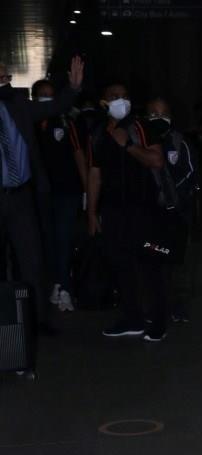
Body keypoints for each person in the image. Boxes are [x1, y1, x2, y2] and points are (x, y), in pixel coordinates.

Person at [0, 57, 83, 330]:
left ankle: (38, 320)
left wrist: (73, 88)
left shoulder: (18, 105)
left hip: (20, 195)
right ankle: (6, 322)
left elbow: (54, 106)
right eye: (1, 77)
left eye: (7, 77)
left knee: (31, 259)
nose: (6, 81)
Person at [87, 82, 166, 339]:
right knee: (120, 263)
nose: (121, 101)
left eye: (125, 96)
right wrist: (92, 212)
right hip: (113, 209)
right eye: (115, 97)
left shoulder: (139, 127)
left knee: (149, 263)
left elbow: (157, 160)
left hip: (143, 207)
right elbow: (95, 174)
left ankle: (158, 320)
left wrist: (128, 145)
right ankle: (133, 317)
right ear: (104, 102)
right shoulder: (98, 133)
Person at [32, 79, 87, 313]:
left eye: (50, 94)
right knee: (49, 239)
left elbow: (79, 154)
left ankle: (65, 288)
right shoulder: (29, 122)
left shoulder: (66, 121)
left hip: (68, 191)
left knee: (64, 238)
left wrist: (87, 189)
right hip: (40, 192)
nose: (46, 98)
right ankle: (57, 282)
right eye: (42, 94)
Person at [144, 96, 196, 323]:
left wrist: (173, 194)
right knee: (152, 256)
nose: (158, 118)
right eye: (153, 114)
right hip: (151, 212)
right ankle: (156, 305)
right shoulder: (140, 142)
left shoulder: (180, 142)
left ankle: (179, 305)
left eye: (162, 113)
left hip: (178, 212)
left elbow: (191, 172)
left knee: (180, 259)